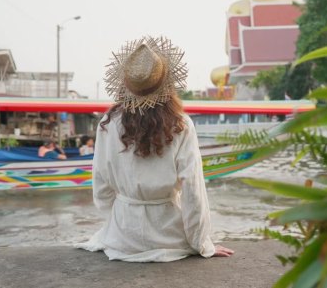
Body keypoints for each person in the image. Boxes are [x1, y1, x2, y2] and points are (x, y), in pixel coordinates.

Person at [75, 36, 234, 262]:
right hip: (168, 236)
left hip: (122, 237)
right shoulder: (181, 124)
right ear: (167, 85)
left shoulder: (108, 123)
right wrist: (202, 243)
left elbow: (101, 186)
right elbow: (193, 192)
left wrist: (118, 218)